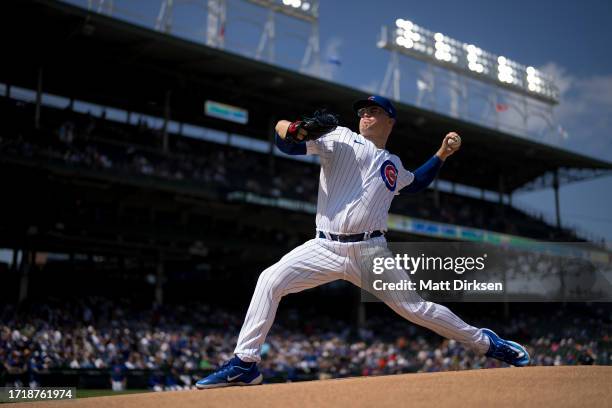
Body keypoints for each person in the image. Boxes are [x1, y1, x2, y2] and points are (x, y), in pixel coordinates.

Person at [196, 96, 529, 389]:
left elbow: (415, 184)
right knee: (270, 279)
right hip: (324, 247)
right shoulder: (339, 137)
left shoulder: (393, 164)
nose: (365, 115)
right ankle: (245, 363)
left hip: (371, 251)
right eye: (363, 111)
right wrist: (296, 127)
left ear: (390, 120)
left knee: (416, 309)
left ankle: (485, 342)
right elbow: (287, 144)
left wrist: (442, 154)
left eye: (374, 110)